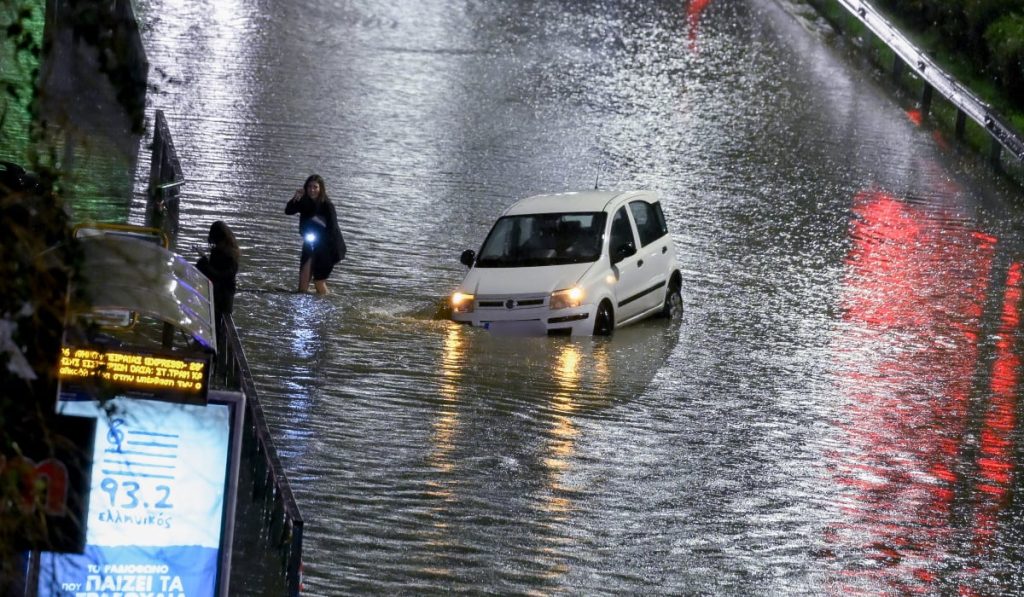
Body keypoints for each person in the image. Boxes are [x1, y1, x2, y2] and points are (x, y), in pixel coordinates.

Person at [285, 174, 346, 294]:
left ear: (321, 189)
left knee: (318, 282)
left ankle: (326, 305)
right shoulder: (303, 202)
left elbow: (333, 230)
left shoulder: (327, 206)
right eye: (309, 187)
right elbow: (288, 211)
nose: (312, 190)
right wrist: (296, 197)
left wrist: (326, 249)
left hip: (328, 249)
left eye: (315, 187)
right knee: (302, 288)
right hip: (310, 245)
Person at [196, 220, 240, 323]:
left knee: (219, 325)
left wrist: (204, 263)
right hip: (214, 295)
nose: (215, 245)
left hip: (223, 300)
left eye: (217, 242)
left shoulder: (231, 258)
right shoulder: (217, 251)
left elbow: (221, 276)